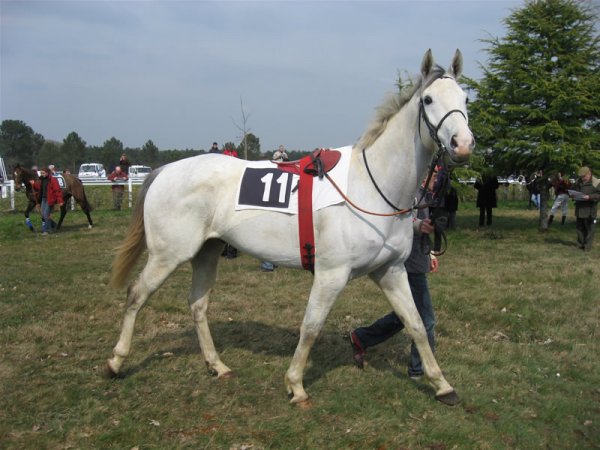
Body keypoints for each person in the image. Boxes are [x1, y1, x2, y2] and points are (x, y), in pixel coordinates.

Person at [350, 173, 438, 379]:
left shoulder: (422, 194)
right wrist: (419, 228)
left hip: (418, 259)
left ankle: (361, 337)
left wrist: (431, 253)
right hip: (409, 263)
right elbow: (399, 221)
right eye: (434, 174)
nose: (436, 177)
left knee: (403, 315)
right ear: (425, 175)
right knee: (426, 320)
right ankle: (419, 369)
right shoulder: (411, 195)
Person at [261, 145, 289, 272]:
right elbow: (276, 157)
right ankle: (270, 263)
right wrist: (279, 155)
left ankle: (270, 263)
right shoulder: (276, 154)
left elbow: (287, 159)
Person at [570, 166, 600, 251]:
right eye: (581, 176)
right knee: (579, 228)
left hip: (590, 209)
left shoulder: (596, 182)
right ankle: (580, 244)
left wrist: (589, 197)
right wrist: (572, 195)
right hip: (579, 208)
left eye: (583, 176)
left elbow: (599, 195)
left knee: (589, 228)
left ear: (589, 174)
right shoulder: (578, 182)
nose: (582, 178)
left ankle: (587, 246)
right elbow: (573, 190)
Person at [34, 167, 64, 235]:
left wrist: (60, 201)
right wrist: (33, 184)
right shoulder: (41, 180)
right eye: (41, 173)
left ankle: (48, 230)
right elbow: (38, 187)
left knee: (45, 214)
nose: (42, 174)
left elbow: (57, 190)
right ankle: (53, 224)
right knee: (43, 214)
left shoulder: (52, 180)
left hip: (50, 199)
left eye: (43, 173)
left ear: (47, 173)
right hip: (43, 199)